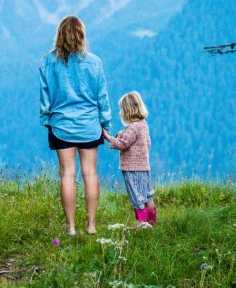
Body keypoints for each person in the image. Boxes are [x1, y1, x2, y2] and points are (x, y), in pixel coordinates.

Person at [39, 16, 112, 236]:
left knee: (67, 175)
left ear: (59, 35)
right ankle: (91, 225)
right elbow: (102, 98)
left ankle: (71, 228)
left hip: (61, 126)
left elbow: (45, 98)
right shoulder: (95, 62)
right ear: (82, 34)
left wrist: (47, 120)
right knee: (90, 173)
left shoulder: (47, 62)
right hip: (90, 126)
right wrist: (105, 124)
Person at [102, 91, 157, 227]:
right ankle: (152, 221)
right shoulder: (143, 124)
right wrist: (123, 134)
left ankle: (142, 223)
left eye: (121, 109)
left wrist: (108, 137)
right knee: (147, 194)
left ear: (127, 111)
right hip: (144, 167)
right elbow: (147, 143)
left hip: (132, 169)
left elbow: (123, 144)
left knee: (137, 197)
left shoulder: (132, 128)